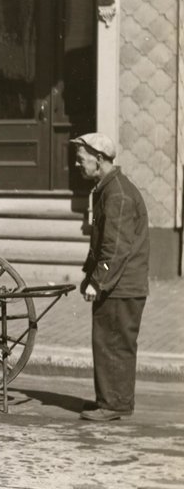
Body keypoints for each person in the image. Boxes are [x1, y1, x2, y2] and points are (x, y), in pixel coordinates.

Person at [72, 132, 150, 422]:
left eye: (82, 160)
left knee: (112, 344)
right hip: (121, 283)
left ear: (100, 159)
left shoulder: (116, 193)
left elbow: (115, 247)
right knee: (110, 343)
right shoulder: (108, 188)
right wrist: (88, 275)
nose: (78, 166)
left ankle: (114, 405)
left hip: (121, 286)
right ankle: (112, 400)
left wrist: (98, 281)